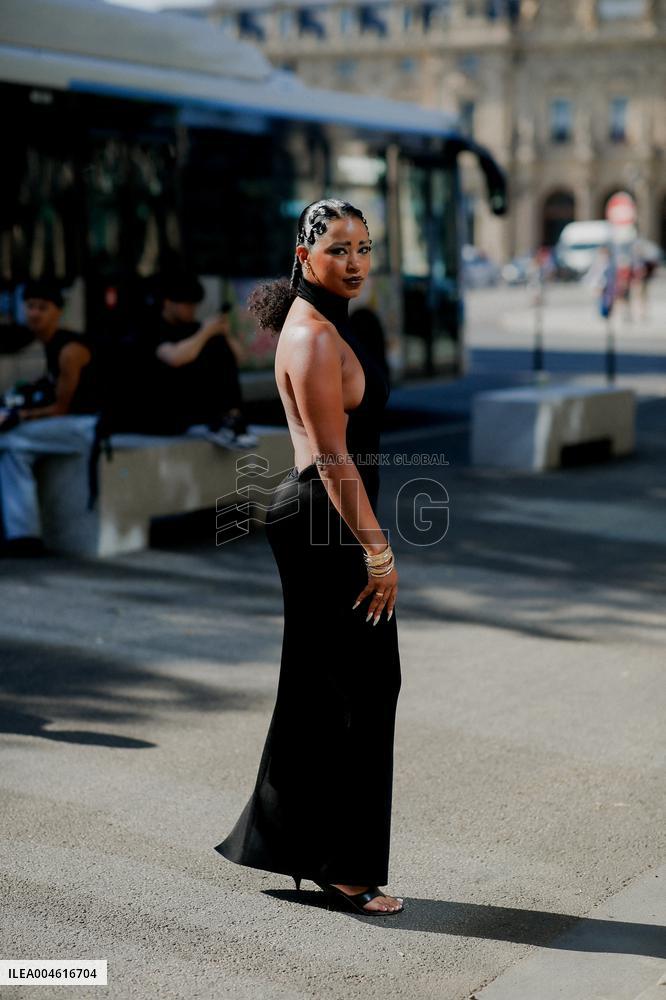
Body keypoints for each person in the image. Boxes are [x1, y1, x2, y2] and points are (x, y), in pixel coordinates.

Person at [214, 199, 404, 916]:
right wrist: (378, 551)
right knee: (362, 686)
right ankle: (341, 867)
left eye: (364, 247)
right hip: (327, 522)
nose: (354, 262)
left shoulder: (328, 325)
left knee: (333, 686)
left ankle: (298, 846)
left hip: (328, 521)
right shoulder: (317, 337)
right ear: (304, 257)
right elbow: (331, 457)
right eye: (337, 250)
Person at [0, 280, 99, 556]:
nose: (34, 314)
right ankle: (23, 537)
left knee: (11, 440)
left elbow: (61, 408)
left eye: (42, 308)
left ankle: (23, 535)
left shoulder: (69, 350)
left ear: (57, 312)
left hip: (90, 426)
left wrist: (18, 416)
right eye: (30, 306)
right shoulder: (49, 345)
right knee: (13, 454)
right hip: (73, 424)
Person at [129, 271, 257, 448]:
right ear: (168, 302)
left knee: (218, 345)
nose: (192, 309)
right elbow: (174, 358)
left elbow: (239, 359)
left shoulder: (194, 327)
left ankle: (231, 418)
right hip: (158, 407)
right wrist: (205, 332)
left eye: (194, 304)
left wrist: (223, 334)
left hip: (192, 406)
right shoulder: (151, 327)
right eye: (187, 304)